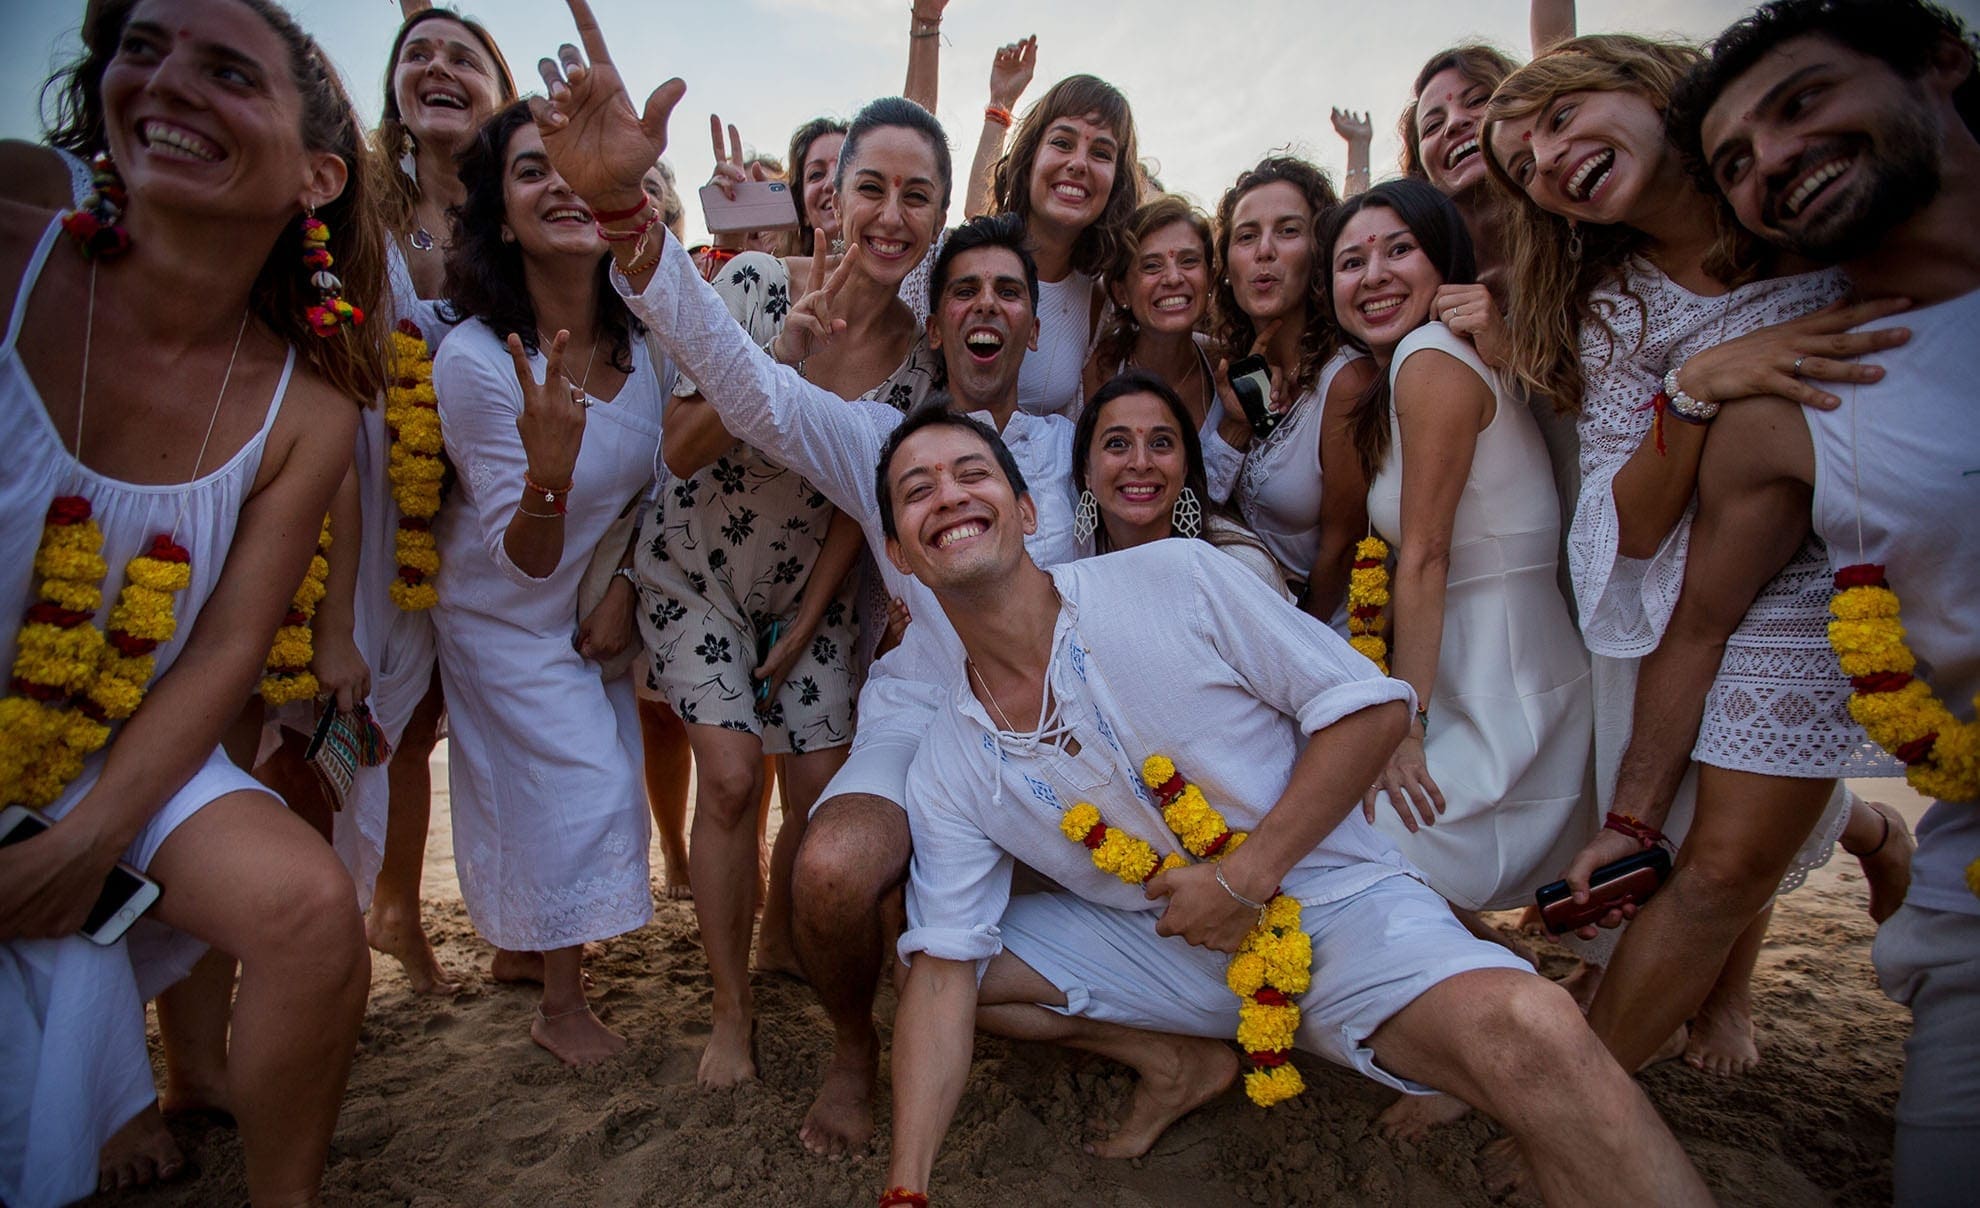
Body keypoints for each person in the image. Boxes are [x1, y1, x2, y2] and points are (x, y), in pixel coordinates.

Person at [868, 407, 1714, 1206]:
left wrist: (1244, 878)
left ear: (1025, 509)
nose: (949, 496)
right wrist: (906, 1190)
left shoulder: (1175, 577)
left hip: (1337, 907)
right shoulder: (948, 759)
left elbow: (1370, 710)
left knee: (1536, 1032)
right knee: (935, 965)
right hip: (1167, 946)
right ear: (902, 555)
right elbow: (944, 969)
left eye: (971, 473)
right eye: (917, 490)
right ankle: (1177, 1058)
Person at [523, 0, 1090, 1148]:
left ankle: (1144, 1038)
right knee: (805, 844)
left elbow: (1170, 537)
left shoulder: (1053, 434)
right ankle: (821, 1037)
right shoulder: (871, 420)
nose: (984, 306)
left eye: (1009, 293)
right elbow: (735, 401)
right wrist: (631, 216)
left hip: (1022, 704)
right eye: (967, 290)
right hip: (832, 650)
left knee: (1088, 887)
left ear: (1035, 327)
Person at [0, 0, 384, 1203]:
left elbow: (224, 649)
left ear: (317, 177)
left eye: (227, 72)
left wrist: (87, 839)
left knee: (311, 910)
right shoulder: (12, 249)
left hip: (117, 742)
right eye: (143, 48)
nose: (167, 84)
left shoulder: (310, 403)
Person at [1484, 31, 1911, 1078]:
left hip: (1910, 528)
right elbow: (1631, 527)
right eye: (1525, 168)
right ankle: (1583, 1107)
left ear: (1643, 81)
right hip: (1738, 580)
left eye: (1558, 119)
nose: (1549, 160)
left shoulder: (1818, 204)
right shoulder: (1621, 308)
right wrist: (1698, 384)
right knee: (1717, 865)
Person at [1636, 3, 1978, 1198]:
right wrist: (1632, 820)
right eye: (1736, 160)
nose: (1774, 159)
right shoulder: (1800, 399)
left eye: (1803, 102)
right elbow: (1697, 623)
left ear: (1942, 60)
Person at [635, 94, 945, 1088]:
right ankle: (731, 1010)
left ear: (939, 216)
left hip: (807, 591)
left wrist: (812, 619)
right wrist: (778, 361)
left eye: (917, 196)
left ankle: (809, 966)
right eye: (871, 188)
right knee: (730, 779)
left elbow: (864, 498)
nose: (891, 214)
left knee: (821, 796)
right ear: (832, 199)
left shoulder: (923, 361)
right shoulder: (757, 283)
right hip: (697, 573)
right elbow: (681, 449)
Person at [430, 100, 665, 1067]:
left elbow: (664, 487)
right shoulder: (476, 361)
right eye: (532, 171)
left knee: (577, 785)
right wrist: (549, 473)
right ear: (498, 217)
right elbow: (522, 553)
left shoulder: (646, 336)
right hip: (503, 608)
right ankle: (562, 1008)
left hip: (592, 601)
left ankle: (527, 952)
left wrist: (628, 584)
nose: (561, 186)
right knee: (579, 788)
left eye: (575, 169)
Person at [1326, 179, 1592, 914]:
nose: (1373, 275)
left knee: (1364, 846)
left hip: (1505, 688)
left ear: (1444, 260)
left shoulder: (1430, 355)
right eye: (1350, 262)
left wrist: (1404, 729)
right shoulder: (1413, 366)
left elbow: (1426, 554)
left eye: (1399, 250)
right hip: (1466, 667)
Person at [356, 0, 516, 999]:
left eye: (464, 57)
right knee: (353, 713)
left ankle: (430, 910)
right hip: (361, 494)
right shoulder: (354, 206)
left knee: (438, 718)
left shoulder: (516, 216)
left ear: (501, 96)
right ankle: (374, 908)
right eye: (418, 54)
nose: (438, 67)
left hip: (476, 509)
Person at [1212, 156, 1373, 623]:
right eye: (1247, 236)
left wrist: (1293, 641)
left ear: (1319, 254)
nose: (1264, 251)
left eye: (1287, 231)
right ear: (1227, 267)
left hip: (1322, 631)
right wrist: (1237, 424)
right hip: (1250, 620)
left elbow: (1342, 548)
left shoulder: (1346, 381)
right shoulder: (1233, 367)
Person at [973, 72, 1143, 417]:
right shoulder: (957, 259)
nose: (1078, 164)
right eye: (1063, 143)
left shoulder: (1098, 304)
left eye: (1101, 153)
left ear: (1117, 182)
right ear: (1030, 156)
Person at [1070, 368, 1288, 596]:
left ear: (1185, 466)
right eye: (1117, 443)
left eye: (1161, 442)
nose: (1141, 463)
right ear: (1086, 470)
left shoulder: (1240, 568)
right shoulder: (1070, 563)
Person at [1080, 197, 1233, 491]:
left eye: (1189, 261)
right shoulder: (1100, 370)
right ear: (1121, 292)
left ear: (1210, 278)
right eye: (1151, 266)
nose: (1173, 278)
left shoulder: (1224, 366)